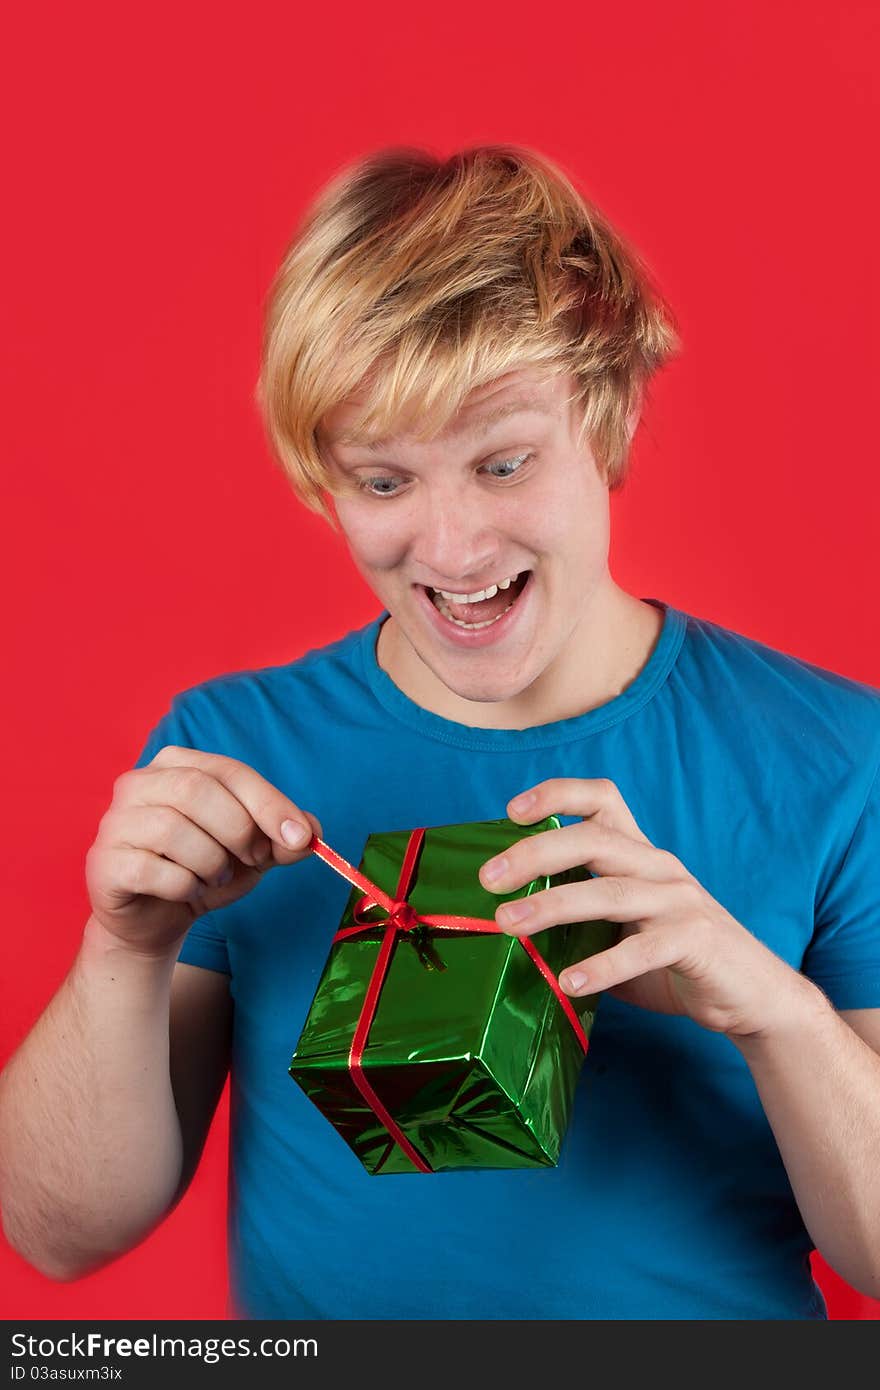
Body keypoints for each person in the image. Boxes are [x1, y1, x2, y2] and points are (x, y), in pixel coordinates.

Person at [1, 144, 879, 1322]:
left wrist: (773, 1010)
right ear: (322, 479)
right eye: (382, 481)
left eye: (503, 462)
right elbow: (55, 1235)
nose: (453, 549)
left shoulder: (835, 758)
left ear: (606, 422)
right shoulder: (228, 751)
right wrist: (126, 946)